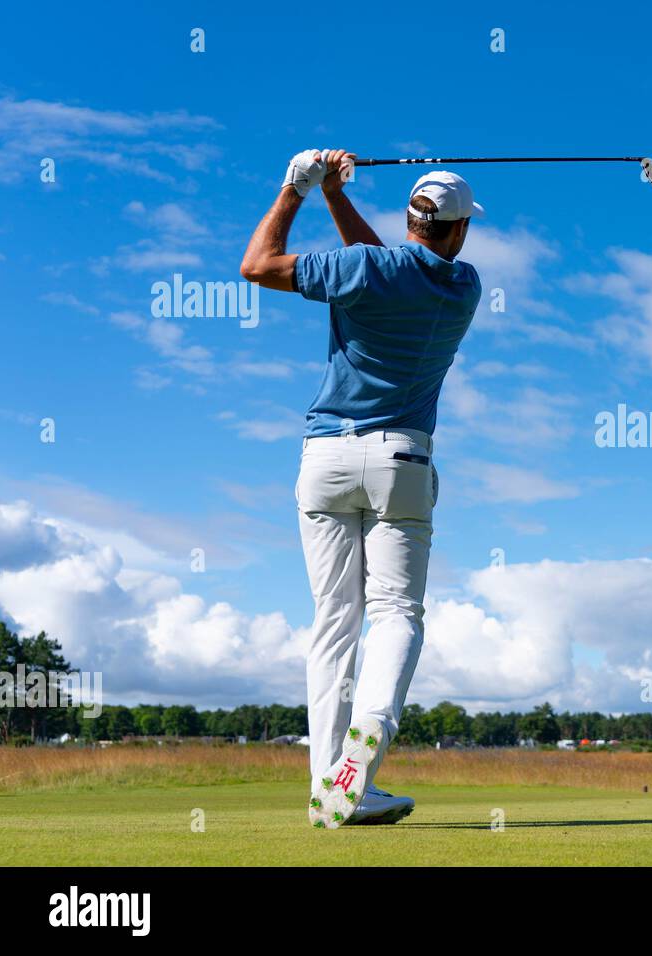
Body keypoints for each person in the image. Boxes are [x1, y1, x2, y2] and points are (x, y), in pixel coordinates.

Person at [240, 149, 482, 827]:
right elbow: (386, 270)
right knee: (397, 613)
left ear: (410, 218)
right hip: (403, 460)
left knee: (333, 623)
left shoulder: (366, 269)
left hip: (325, 460)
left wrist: (298, 188)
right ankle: (363, 750)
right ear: (458, 231)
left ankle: (329, 787)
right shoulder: (463, 287)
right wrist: (334, 196)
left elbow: (258, 264)